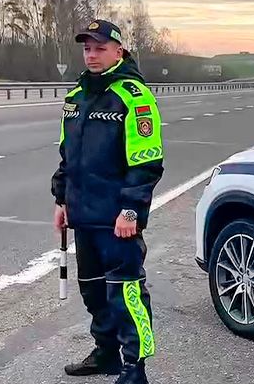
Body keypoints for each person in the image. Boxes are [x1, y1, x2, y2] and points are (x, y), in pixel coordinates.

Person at [52, 19, 164, 384]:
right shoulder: (76, 97)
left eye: (100, 48)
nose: (92, 55)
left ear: (119, 51)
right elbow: (67, 157)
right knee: (93, 291)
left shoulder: (133, 96)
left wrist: (131, 209)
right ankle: (106, 353)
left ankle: (135, 368)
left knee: (126, 294)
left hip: (118, 219)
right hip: (83, 215)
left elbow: (147, 163)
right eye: (87, 48)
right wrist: (61, 199)